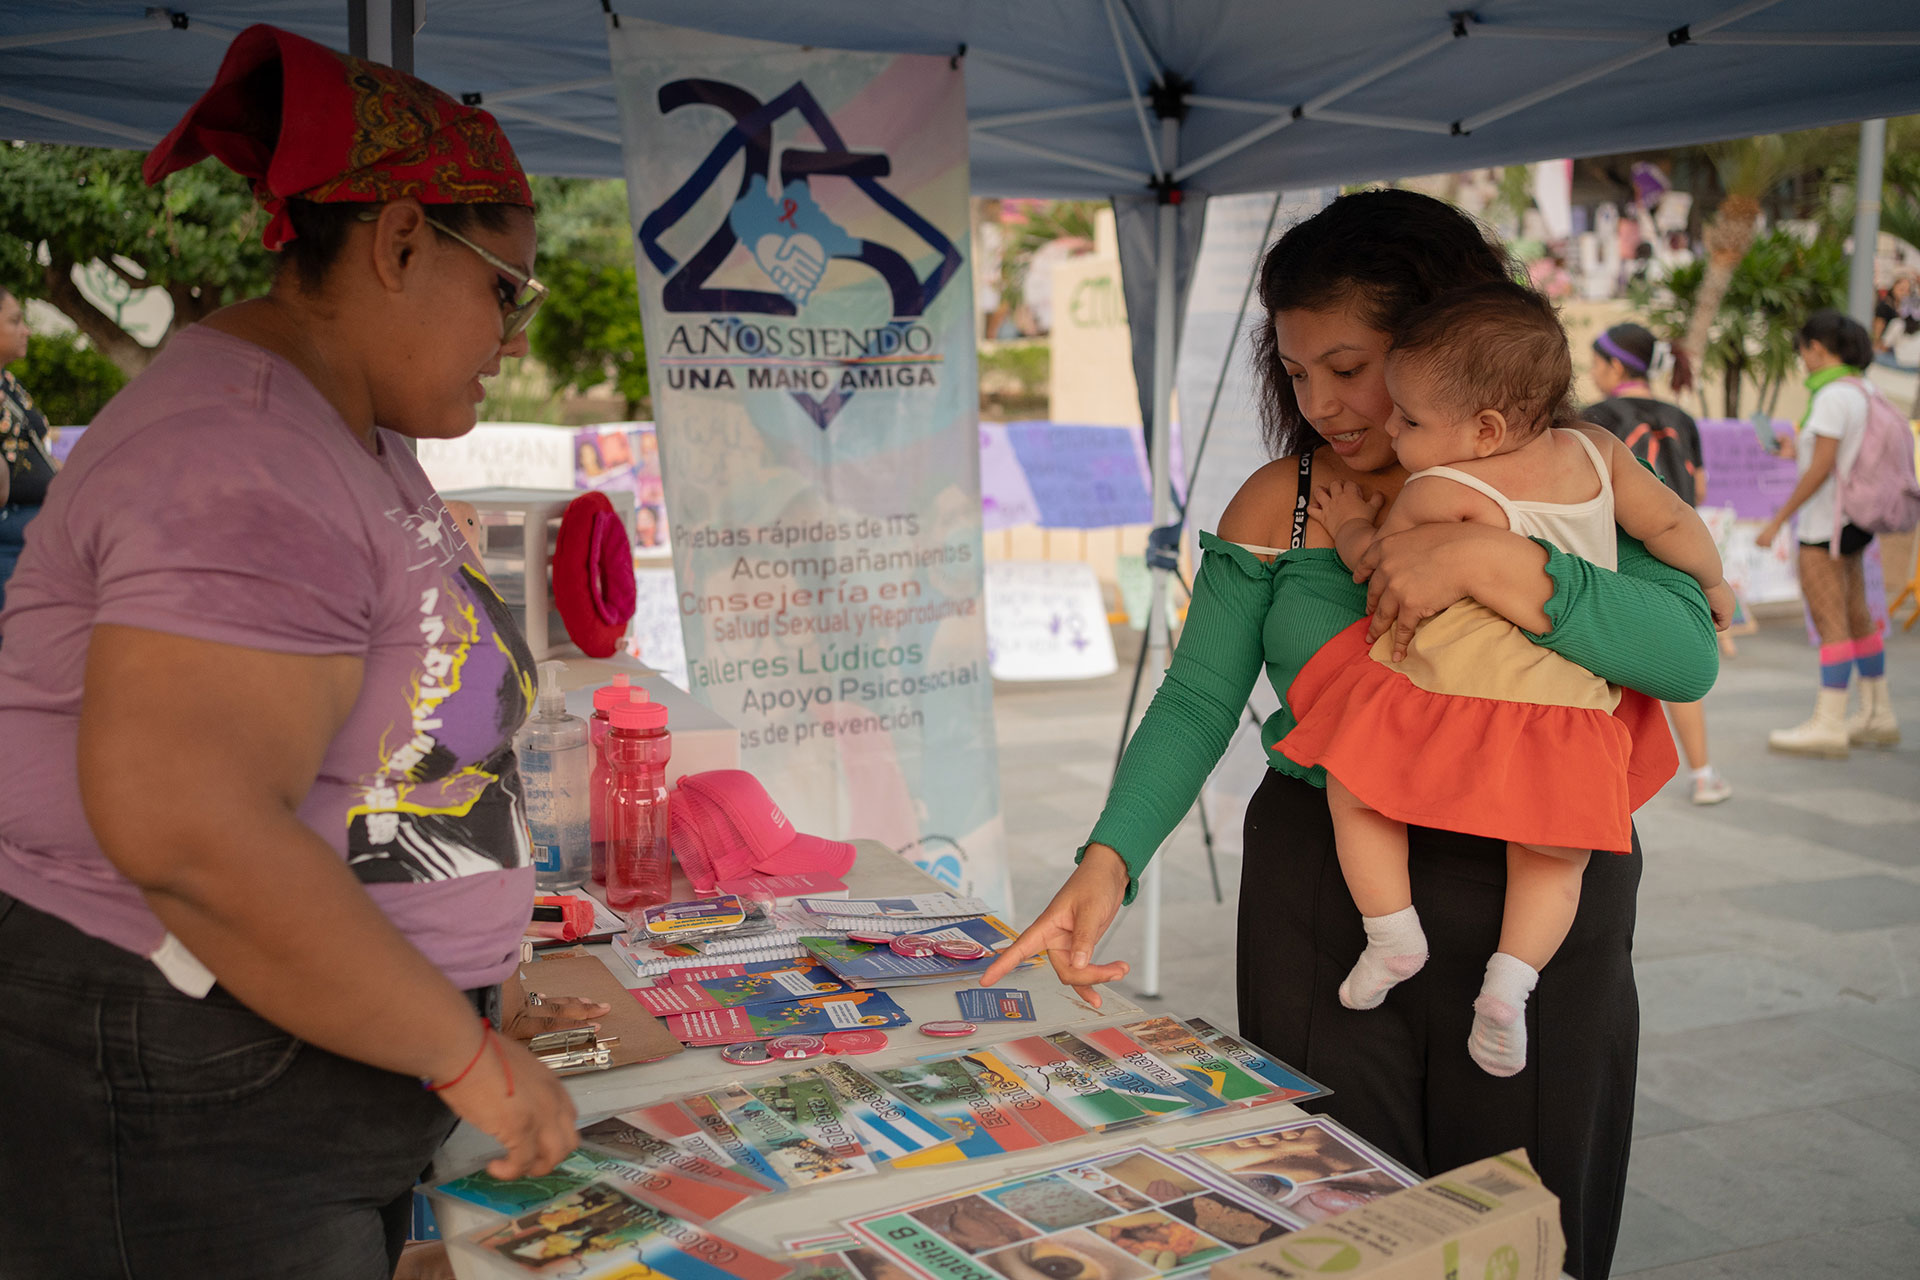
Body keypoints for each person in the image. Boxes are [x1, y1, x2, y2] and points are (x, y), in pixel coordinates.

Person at [983, 189, 1718, 1280]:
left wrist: (1490, 563)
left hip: (1541, 885)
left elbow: (1684, 652)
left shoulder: (1577, 481)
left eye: (1348, 365)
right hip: (1330, 895)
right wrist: (1107, 861)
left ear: (1445, 350)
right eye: (1294, 371)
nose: (1319, 400)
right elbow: (1194, 702)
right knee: (1331, 1210)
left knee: (1526, 1221)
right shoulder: (1277, 506)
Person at [0, 26, 579, 1280]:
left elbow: (399, 732)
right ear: (401, 241)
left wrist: (479, 963)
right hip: (196, 1088)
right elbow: (194, 831)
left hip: (286, 1067)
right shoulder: (241, 456)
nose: (516, 331)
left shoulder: (347, 431)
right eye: (507, 286)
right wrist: (467, 1051)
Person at [1282, 282, 1730, 1077]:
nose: (1391, 426)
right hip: (1569, 710)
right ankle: (1510, 987)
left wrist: (1350, 520)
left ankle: (1391, 933)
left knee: (1355, 787)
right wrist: (1716, 586)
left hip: (1451, 695)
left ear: (1484, 429)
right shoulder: (1598, 453)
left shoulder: (1440, 489)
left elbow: (1376, 569)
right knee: (1556, 859)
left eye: (1410, 419)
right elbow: (1671, 525)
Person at [1583, 322, 1732, 804]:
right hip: (1681, 560)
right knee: (1680, 671)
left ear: (1614, 366)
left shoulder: (1594, 418)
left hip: (1617, 560)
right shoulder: (1681, 416)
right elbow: (1701, 490)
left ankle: (1606, 780)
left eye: (1595, 363)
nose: (1591, 372)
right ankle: (1705, 774)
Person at [1757, 310, 1900, 755]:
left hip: (1824, 528)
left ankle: (1829, 722)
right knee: (1858, 614)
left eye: (1804, 350)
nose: (1802, 359)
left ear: (1817, 348)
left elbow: (1821, 469)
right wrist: (1792, 452)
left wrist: (1778, 519)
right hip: (1854, 524)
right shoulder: (1864, 390)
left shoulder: (1831, 397)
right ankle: (1878, 713)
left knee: (1830, 620)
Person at [0, 286, 56, 612]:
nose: (27, 330)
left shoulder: (8, 383)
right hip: (11, 532)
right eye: (15, 321)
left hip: (31, 528)